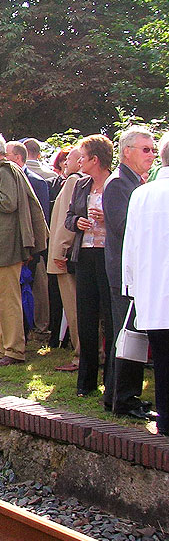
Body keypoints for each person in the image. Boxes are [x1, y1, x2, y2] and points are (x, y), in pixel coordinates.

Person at [0, 129, 48, 366]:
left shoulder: (5, 170)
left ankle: (14, 350)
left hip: (7, 246)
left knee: (7, 300)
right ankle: (0, 347)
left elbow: (8, 203)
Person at [103, 127, 158, 419]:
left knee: (132, 335)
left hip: (135, 272)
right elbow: (123, 228)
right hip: (124, 274)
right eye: (145, 149)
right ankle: (121, 398)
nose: (151, 154)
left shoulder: (134, 182)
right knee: (126, 335)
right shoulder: (118, 184)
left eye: (153, 149)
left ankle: (120, 395)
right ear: (128, 151)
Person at [122, 132, 169, 436]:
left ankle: (165, 418)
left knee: (163, 359)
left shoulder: (142, 194)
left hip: (152, 294)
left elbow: (131, 246)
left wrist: (131, 289)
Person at [64, 134, 115, 395]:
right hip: (84, 255)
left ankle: (112, 380)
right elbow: (69, 217)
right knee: (86, 317)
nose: (80, 161)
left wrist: (108, 219)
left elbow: (125, 220)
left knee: (110, 317)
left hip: (108, 256)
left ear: (95, 159)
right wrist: (78, 223)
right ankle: (86, 381)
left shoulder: (116, 184)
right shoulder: (81, 185)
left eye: (83, 157)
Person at [7, 140, 51, 336]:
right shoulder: (3, 178)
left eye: (7, 155)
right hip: (12, 245)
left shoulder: (37, 182)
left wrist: (33, 248)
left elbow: (40, 219)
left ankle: (35, 327)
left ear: (17, 158)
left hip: (29, 247)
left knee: (33, 288)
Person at [47, 149, 82, 369]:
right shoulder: (81, 182)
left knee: (74, 306)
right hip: (72, 252)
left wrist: (60, 251)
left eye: (69, 158)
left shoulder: (73, 182)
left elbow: (64, 222)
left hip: (64, 254)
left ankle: (81, 354)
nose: (65, 162)